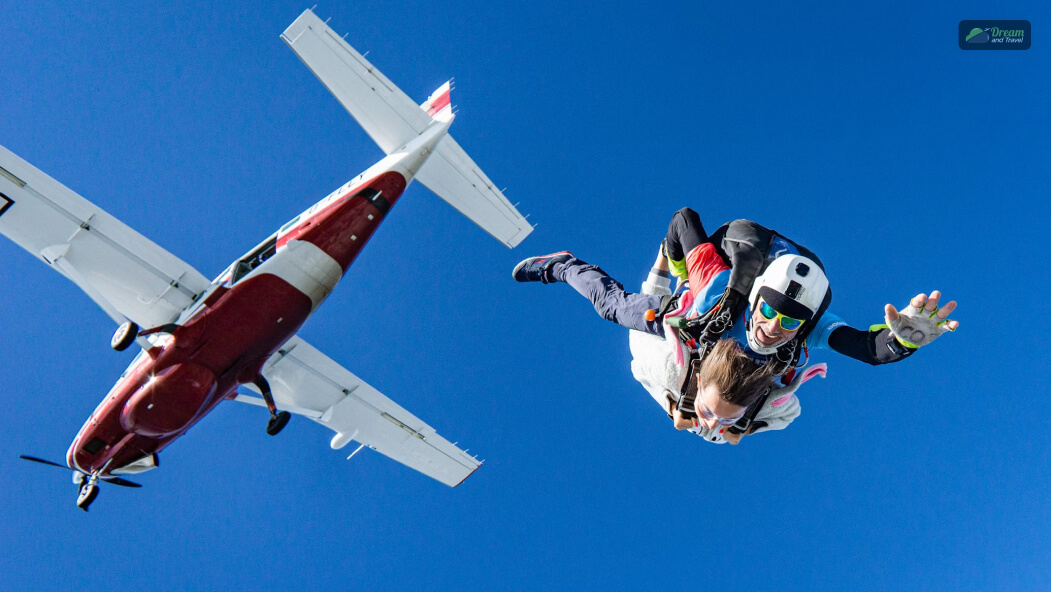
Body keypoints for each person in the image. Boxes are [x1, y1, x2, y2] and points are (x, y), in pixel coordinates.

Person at [512, 208, 959, 442]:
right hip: (717, 276)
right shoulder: (713, 291)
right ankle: (564, 265)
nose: (773, 328)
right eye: (768, 312)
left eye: (790, 322)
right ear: (756, 298)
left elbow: (866, 348)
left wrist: (902, 341)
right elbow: (683, 218)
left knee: (728, 416)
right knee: (615, 308)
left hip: (749, 303)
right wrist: (678, 266)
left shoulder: (809, 326)